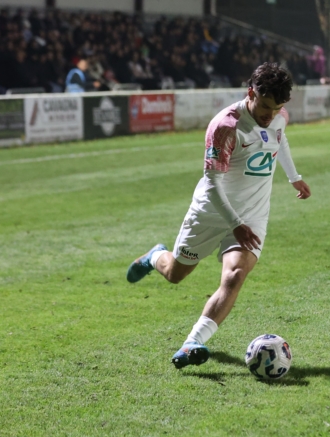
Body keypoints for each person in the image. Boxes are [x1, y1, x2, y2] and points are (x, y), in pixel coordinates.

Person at [126, 62, 312, 368]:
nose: (270, 115)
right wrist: (234, 224)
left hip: (252, 215)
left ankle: (192, 342)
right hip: (212, 212)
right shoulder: (226, 126)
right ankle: (155, 257)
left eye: (277, 108)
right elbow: (212, 183)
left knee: (235, 275)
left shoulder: (277, 118)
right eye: (265, 106)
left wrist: (294, 176)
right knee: (175, 274)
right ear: (250, 93)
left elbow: (281, 137)